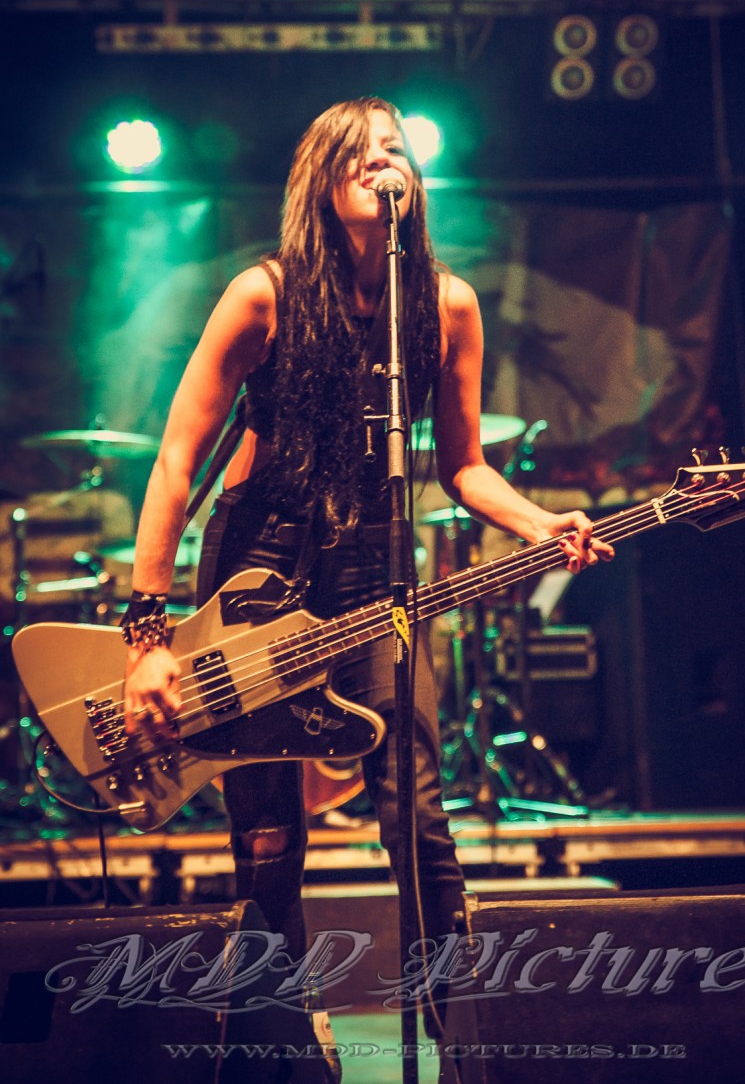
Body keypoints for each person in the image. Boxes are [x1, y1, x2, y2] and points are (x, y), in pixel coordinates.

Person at [120, 95, 613, 1014]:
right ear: (320, 177)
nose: (382, 162)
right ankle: (276, 1047)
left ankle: (455, 1034)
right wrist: (149, 635)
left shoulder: (447, 305)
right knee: (268, 834)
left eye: (395, 150)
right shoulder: (262, 294)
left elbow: (464, 466)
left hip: (375, 572)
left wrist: (537, 523)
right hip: (255, 565)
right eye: (359, 151)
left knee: (416, 809)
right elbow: (177, 459)